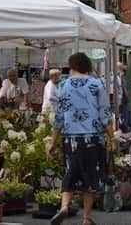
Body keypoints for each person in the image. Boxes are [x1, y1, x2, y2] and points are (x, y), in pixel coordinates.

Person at [47, 52, 113, 225]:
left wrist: (53, 142)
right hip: (93, 138)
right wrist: (113, 137)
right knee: (90, 177)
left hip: (71, 137)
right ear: (87, 66)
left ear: (72, 67)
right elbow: (105, 114)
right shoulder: (97, 84)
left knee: (70, 172)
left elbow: (59, 117)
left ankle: (64, 206)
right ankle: (86, 218)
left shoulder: (63, 85)